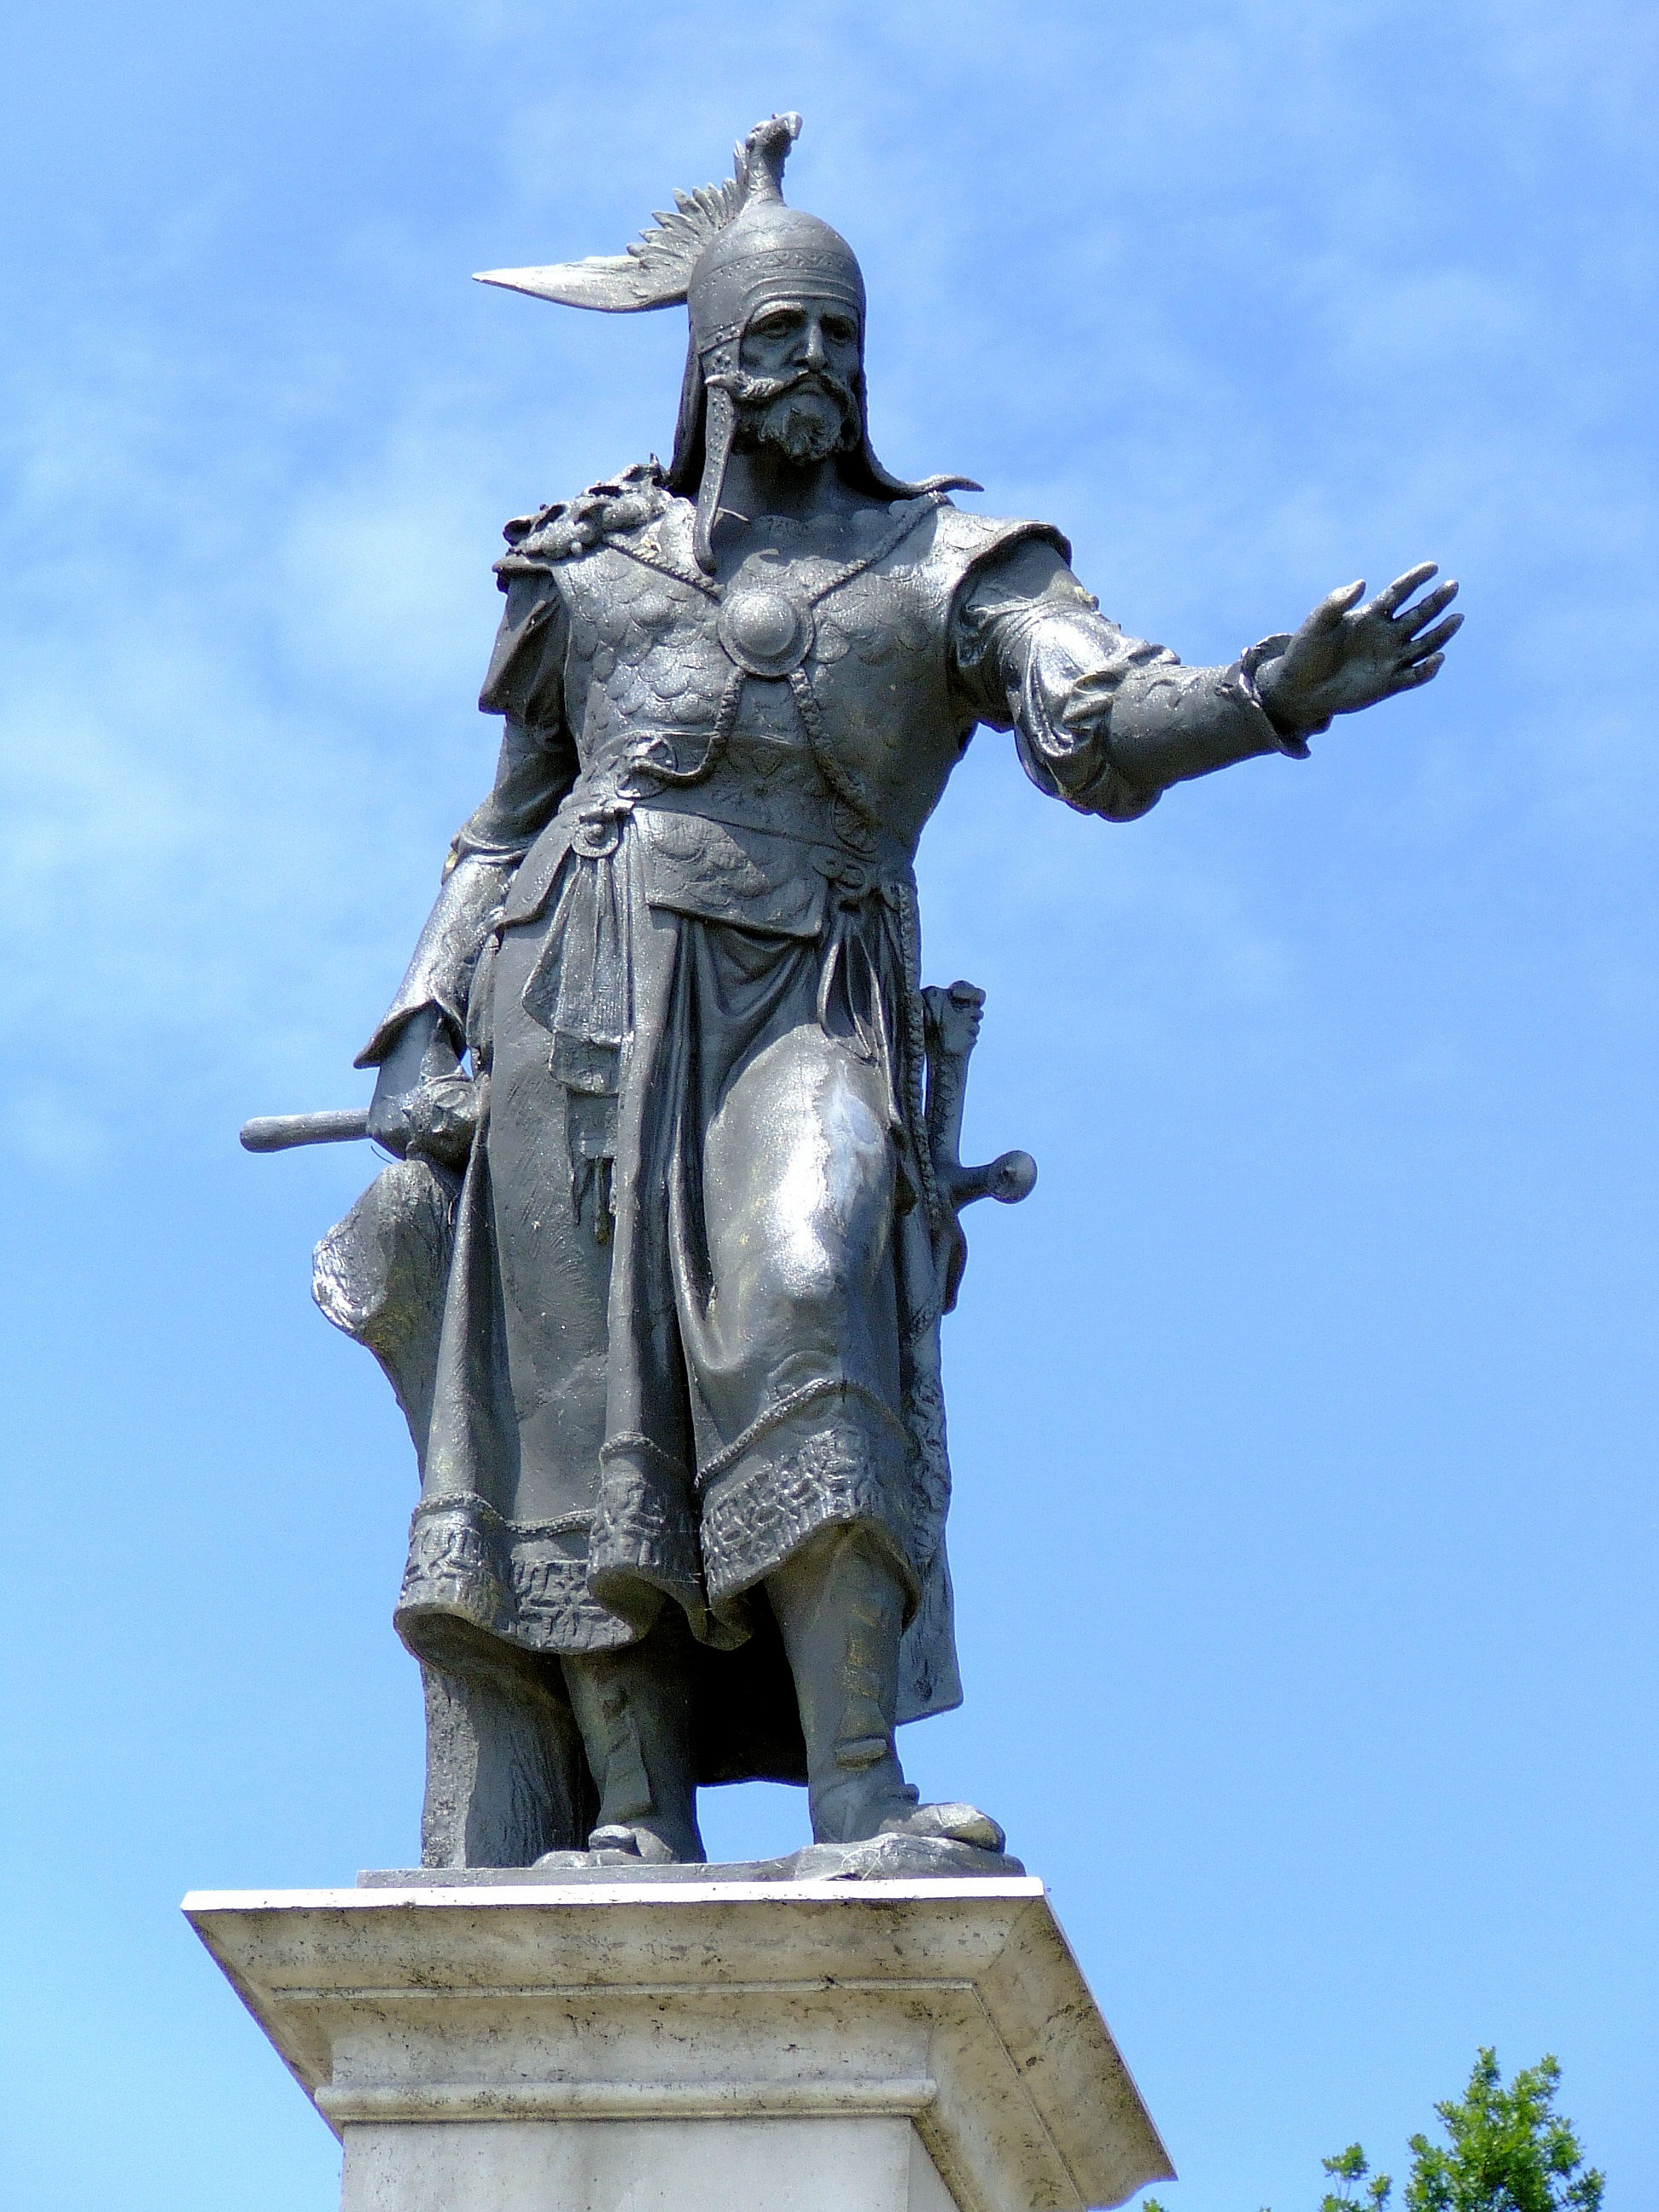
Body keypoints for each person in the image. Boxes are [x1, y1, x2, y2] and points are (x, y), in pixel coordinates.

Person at [345, 114, 1460, 1869]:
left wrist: (1264, 695)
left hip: (807, 999)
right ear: (710, 362)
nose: (813, 364)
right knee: (589, 1393)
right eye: (777, 333)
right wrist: (419, 1028)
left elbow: (1101, 721)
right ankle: (632, 1816)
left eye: (840, 337)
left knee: (809, 1285)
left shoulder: (951, 562)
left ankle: (857, 1784)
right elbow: (500, 828)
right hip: (576, 1002)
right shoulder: (592, 567)